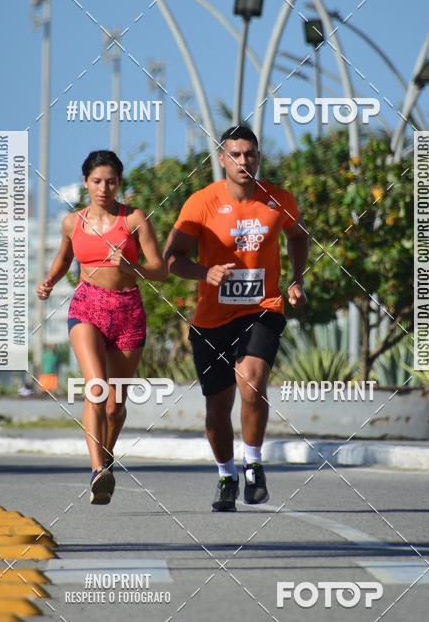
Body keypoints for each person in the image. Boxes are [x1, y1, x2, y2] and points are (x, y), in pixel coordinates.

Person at [164, 126, 309, 512]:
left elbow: (298, 236)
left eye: (250, 154)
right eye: (236, 155)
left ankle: (254, 464)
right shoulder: (201, 202)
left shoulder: (278, 200)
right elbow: (172, 257)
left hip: (262, 308)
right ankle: (226, 474)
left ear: (257, 157)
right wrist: (203, 273)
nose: (244, 161)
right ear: (223, 159)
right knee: (217, 407)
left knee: (252, 379)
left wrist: (296, 280)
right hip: (211, 319)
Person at [36, 150, 167, 505]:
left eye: (110, 181)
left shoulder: (135, 219)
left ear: (119, 183)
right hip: (87, 307)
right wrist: (49, 281)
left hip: (128, 310)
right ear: (85, 183)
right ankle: (97, 471)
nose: (103, 188)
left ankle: (106, 457)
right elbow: (64, 259)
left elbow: (161, 269)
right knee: (95, 389)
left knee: (114, 406)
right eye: (96, 181)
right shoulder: (72, 222)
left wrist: (132, 267)